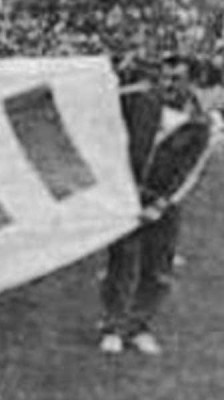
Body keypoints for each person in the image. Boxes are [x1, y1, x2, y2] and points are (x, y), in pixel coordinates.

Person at [99, 54, 212, 356]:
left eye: (177, 79)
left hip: (164, 204)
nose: (169, 84)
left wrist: (161, 204)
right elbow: (107, 118)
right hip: (129, 195)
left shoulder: (200, 122)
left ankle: (138, 327)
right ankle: (112, 326)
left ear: (193, 82)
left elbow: (191, 172)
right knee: (122, 261)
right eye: (165, 77)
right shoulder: (142, 101)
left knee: (157, 269)